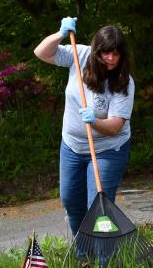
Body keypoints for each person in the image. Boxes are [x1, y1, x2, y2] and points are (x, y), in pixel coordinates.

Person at [34, 18, 135, 236]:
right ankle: (84, 254)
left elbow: (116, 126)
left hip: (107, 150)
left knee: (98, 209)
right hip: (72, 146)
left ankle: (104, 260)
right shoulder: (80, 55)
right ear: (97, 50)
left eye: (116, 54)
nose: (110, 58)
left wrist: (95, 122)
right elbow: (41, 52)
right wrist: (60, 33)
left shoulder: (123, 81)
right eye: (106, 52)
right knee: (71, 202)